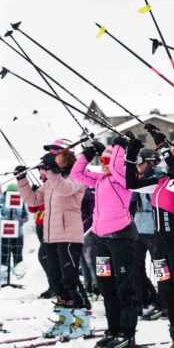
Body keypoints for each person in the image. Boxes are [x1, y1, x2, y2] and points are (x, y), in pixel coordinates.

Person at [125, 125, 174, 348]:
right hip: (161, 245)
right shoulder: (162, 182)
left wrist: (162, 144)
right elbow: (131, 183)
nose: (172, 153)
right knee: (167, 294)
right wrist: (131, 155)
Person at [15, 138, 89, 339]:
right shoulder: (50, 181)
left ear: (67, 155)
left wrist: (51, 170)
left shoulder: (77, 177)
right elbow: (32, 200)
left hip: (69, 236)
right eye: (51, 154)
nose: (53, 157)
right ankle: (64, 319)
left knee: (69, 280)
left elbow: (65, 189)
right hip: (50, 237)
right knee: (56, 281)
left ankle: (83, 321)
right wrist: (22, 180)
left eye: (56, 153)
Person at [72, 138, 138, 348]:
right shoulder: (100, 180)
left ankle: (127, 334)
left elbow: (119, 168)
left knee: (124, 288)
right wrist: (88, 154)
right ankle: (113, 330)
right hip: (102, 242)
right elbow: (77, 173)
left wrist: (119, 147)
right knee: (106, 288)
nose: (103, 163)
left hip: (121, 240)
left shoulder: (124, 179)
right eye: (101, 160)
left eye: (107, 160)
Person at [129, 148, 167, 321]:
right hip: (138, 228)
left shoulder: (161, 176)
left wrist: (152, 176)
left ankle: (164, 304)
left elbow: (158, 199)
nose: (138, 166)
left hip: (154, 230)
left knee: (160, 268)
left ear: (150, 162)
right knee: (135, 267)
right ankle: (141, 299)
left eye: (140, 161)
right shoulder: (139, 179)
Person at [0, 183, 29, 270]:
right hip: (6, 232)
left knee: (18, 256)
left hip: (18, 234)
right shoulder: (1, 201)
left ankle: (17, 274)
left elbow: (26, 217)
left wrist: (21, 219)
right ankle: (5, 274)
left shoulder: (21, 201)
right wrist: (7, 218)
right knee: (5, 256)